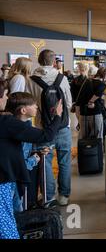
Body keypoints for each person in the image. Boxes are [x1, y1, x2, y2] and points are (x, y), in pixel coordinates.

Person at [0, 81, 63, 239]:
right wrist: (57, 116)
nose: (6, 99)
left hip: (8, 179)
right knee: (7, 222)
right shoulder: (8, 123)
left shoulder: (7, 123)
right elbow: (46, 136)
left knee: (12, 216)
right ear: (23, 110)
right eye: (4, 96)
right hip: (3, 180)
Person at [26, 49, 73, 206]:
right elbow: (68, 102)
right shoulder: (62, 78)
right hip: (63, 126)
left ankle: (49, 196)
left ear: (39, 61)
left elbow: (29, 104)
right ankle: (64, 195)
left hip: (42, 127)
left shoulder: (32, 80)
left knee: (45, 161)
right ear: (54, 62)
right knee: (64, 161)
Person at [5, 92, 42, 213]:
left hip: (14, 180)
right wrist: (34, 160)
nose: (36, 106)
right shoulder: (20, 131)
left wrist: (36, 151)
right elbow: (18, 163)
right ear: (23, 110)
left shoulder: (22, 126)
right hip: (12, 181)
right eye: (33, 104)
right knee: (15, 213)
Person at [77, 67, 106, 141]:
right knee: (97, 138)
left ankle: (84, 152)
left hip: (83, 114)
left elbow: (79, 98)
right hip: (95, 114)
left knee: (83, 138)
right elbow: (98, 93)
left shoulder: (87, 81)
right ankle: (96, 152)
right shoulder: (102, 84)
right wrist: (91, 101)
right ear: (104, 76)